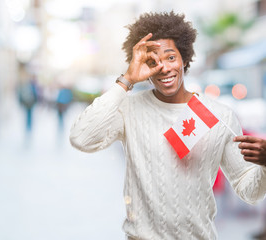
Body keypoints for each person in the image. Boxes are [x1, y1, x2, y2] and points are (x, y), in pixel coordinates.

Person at [69, 11, 266, 240]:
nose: (163, 68)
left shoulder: (220, 115)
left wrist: (265, 165)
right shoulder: (129, 109)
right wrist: (127, 80)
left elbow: (249, 192)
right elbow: (80, 138)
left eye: (171, 57)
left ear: (184, 58)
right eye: (153, 61)